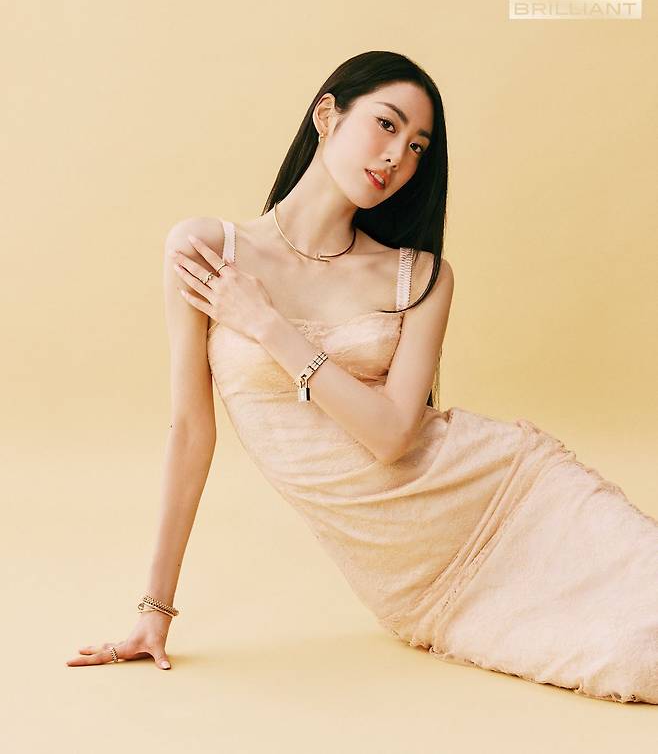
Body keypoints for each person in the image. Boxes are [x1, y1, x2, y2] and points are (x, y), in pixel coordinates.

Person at [66, 51, 658, 704]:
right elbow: (190, 433)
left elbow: (393, 436)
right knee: (637, 666)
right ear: (328, 115)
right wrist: (155, 610)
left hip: (514, 494)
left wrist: (267, 326)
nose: (397, 156)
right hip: (426, 585)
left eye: (417, 146)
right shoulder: (207, 250)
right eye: (386, 124)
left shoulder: (421, 276)